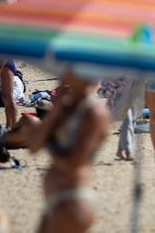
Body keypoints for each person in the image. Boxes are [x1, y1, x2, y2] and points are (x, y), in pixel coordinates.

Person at [28, 70, 109, 233]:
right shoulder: (66, 109)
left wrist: (50, 145)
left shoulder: (94, 112)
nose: (63, 76)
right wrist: (55, 111)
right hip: (56, 199)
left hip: (73, 199)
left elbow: (75, 162)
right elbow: (33, 146)